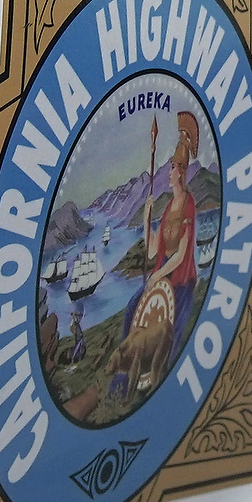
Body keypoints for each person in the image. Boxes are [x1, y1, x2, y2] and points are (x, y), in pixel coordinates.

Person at [107, 111, 201, 396]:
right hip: (161, 279)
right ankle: (122, 383)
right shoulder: (166, 204)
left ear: (181, 173)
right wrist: (147, 219)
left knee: (170, 338)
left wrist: (157, 275)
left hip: (180, 282)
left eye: (173, 167)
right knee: (131, 312)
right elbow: (151, 251)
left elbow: (182, 253)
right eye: (171, 166)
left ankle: (157, 386)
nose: (169, 171)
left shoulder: (188, 205)